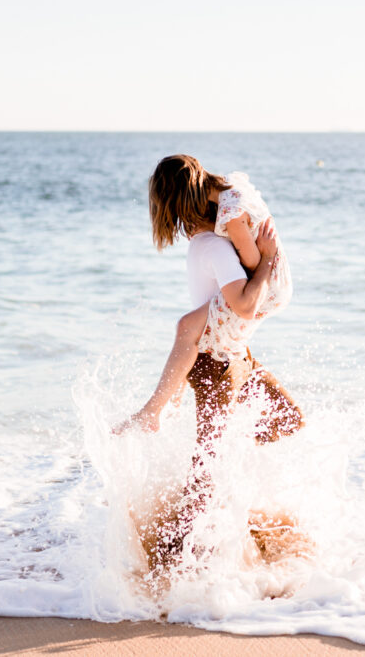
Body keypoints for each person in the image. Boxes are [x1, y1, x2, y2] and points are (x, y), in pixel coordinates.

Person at [121, 154, 304, 571]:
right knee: (206, 471)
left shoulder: (216, 238)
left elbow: (237, 302)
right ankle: (172, 562)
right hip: (216, 366)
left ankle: (236, 522)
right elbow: (241, 304)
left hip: (235, 356)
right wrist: (268, 262)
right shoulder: (215, 246)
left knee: (283, 421)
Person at [121, 165, 293, 434]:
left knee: (187, 327)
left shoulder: (221, 231)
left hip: (229, 351)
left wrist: (266, 259)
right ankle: (160, 408)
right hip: (225, 357)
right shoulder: (231, 199)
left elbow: (247, 300)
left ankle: (154, 411)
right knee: (286, 423)